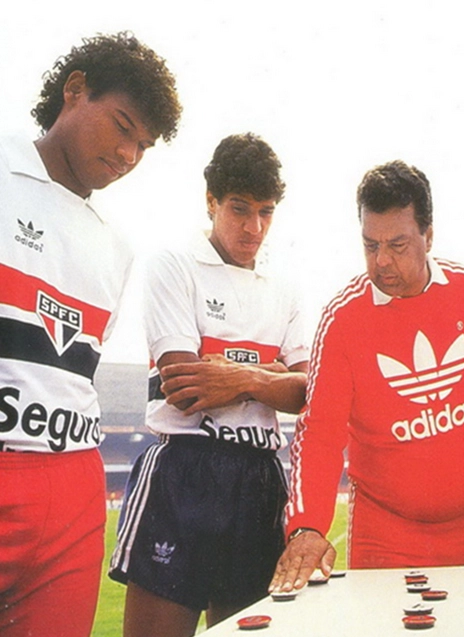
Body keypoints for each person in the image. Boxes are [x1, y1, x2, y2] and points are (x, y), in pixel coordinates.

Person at [0, 33, 181, 637]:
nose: (129, 154)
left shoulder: (116, 248)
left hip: (73, 485)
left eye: (143, 145)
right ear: (74, 90)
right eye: (122, 126)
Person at [269, 160, 464, 592]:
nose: (382, 261)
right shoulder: (342, 319)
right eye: (370, 245)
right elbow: (320, 433)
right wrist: (306, 526)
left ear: (429, 236)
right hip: (385, 536)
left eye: (398, 245)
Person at [107, 133, 309, 637]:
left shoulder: (284, 287)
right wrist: (270, 378)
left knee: (249, 630)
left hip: (260, 476)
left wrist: (235, 376)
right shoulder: (174, 264)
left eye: (266, 212)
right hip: (186, 469)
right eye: (240, 210)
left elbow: (310, 392)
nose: (254, 227)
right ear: (211, 201)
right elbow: (184, 385)